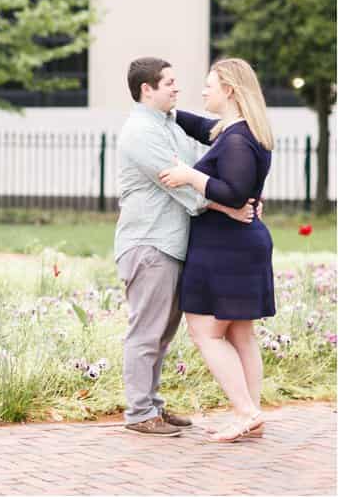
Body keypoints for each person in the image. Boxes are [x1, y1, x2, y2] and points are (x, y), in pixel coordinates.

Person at [115, 57, 256, 438]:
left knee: (161, 334)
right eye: (170, 83)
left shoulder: (169, 126)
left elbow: (198, 170)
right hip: (149, 243)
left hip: (172, 244)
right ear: (147, 89)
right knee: (146, 331)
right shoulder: (141, 132)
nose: (178, 88)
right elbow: (182, 188)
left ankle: (152, 406)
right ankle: (140, 412)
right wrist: (231, 205)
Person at [158, 58, 274, 443]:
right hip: (238, 244)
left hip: (227, 247)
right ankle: (251, 414)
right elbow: (200, 126)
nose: (202, 91)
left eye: (209, 85)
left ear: (229, 90)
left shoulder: (238, 138)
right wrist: (164, 108)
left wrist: (190, 175)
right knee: (241, 334)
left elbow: (236, 192)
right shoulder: (237, 131)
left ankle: (245, 411)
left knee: (205, 331)